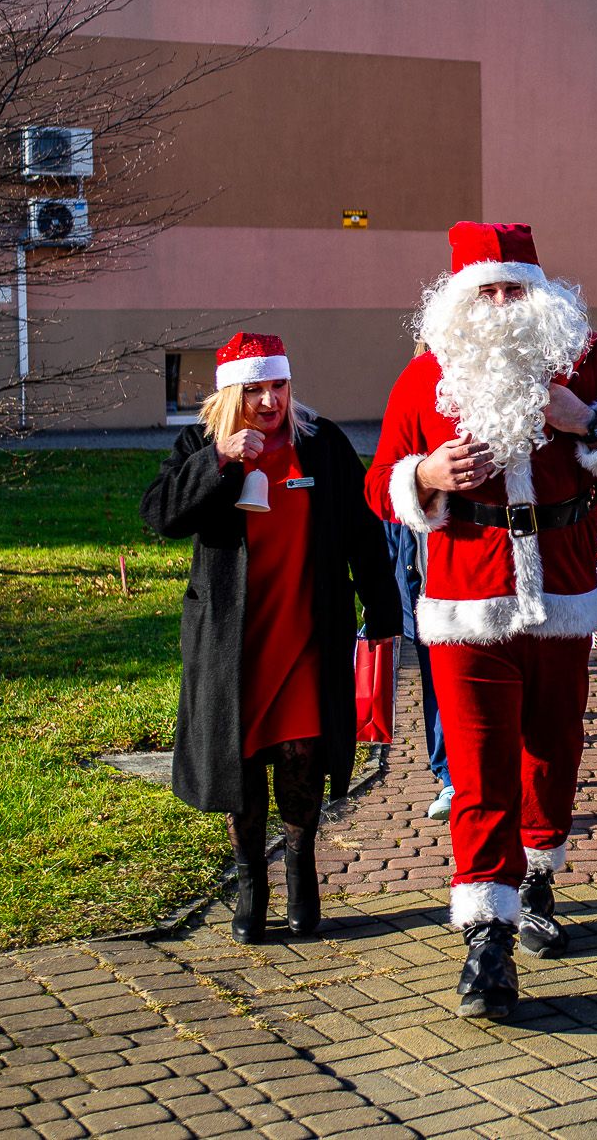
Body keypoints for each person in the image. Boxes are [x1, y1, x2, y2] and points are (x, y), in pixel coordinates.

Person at [366, 222, 597, 1019]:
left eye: (514, 288)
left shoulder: (588, 361)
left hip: (562, 596)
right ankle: (486, 941)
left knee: (554, 751)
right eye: (486, 289)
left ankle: (538, 874)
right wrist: (422, 474)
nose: (501, 302)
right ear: (461, 298)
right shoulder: (425, 375)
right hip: (467, 605)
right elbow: (377, 483)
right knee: (479, 766)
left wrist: (586, 422)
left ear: (541, 293)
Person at [141, 332, 400, 944]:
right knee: (241, 761)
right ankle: (250, 881)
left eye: (277, 387)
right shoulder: (201, 444)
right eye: (253, 389)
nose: (268, 401)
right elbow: (160, 515)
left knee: (303, 753)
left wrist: (384, 607)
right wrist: (221, 461)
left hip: (308, 631)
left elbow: (364, 532)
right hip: (234, 641)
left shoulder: (322, 443)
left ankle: (302, 867)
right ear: (231, 393)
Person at [383, 518, 453, 819]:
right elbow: (391, 533)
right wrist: (381, 602)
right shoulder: (400, 472)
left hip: (486, 593)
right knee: (438, 687)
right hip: (426, 597)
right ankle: (451, 779)